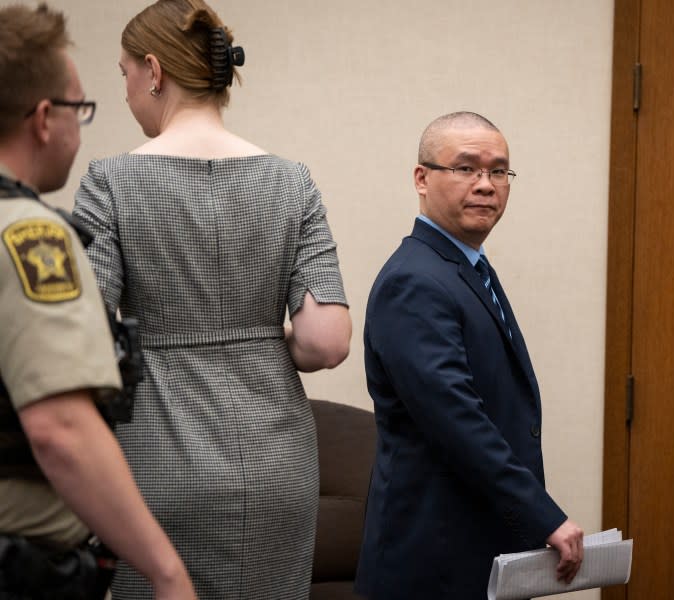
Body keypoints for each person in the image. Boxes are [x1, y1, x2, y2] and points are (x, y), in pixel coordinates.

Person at [71, 0, 351, 597]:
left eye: (123, 74)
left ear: (153, 70)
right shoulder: (291, 181)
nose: (124, 92)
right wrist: (252, 333)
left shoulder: (109, 182)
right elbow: (326, 342)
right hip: (276, 469)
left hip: (151, 461)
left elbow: (85, 335)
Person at [0, 3, 196, 599]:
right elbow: (60, 427)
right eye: (79, 109)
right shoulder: (31, 235)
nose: (80, 128)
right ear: (42, 118)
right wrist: (165, 571)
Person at [355, 111, 584, 599]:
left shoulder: (465, 267)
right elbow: (457, 421)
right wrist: (543, 514)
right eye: (465, 168)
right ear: (422, 178)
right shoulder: (413, 281)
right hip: (432, 558)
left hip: (476, 546)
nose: (486, 185)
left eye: (498, 171)